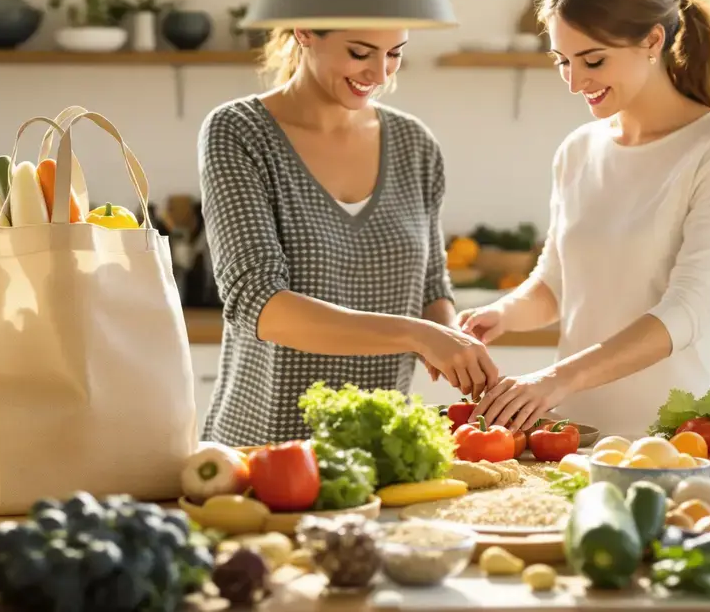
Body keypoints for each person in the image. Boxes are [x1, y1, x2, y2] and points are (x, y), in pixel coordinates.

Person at [461, 0, 710, 439]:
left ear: (651, 40)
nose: (574, 80)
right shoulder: (578, 150)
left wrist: (555, 378)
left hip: (673, 442)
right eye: (562, 61)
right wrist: (500, 314)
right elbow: (557, 285)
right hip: (572, 436)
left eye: (593, 61)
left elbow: (691, 308)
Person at [198, 27, 497, 446]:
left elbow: (430, 285)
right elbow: (258, 303)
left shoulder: (415, 145)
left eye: (394, 53)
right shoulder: (239, 132)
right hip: (263, 451)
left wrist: (456, 343)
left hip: (376, 450)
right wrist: (420, 335)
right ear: (305, 30)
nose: (379, 73)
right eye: (360, 52)